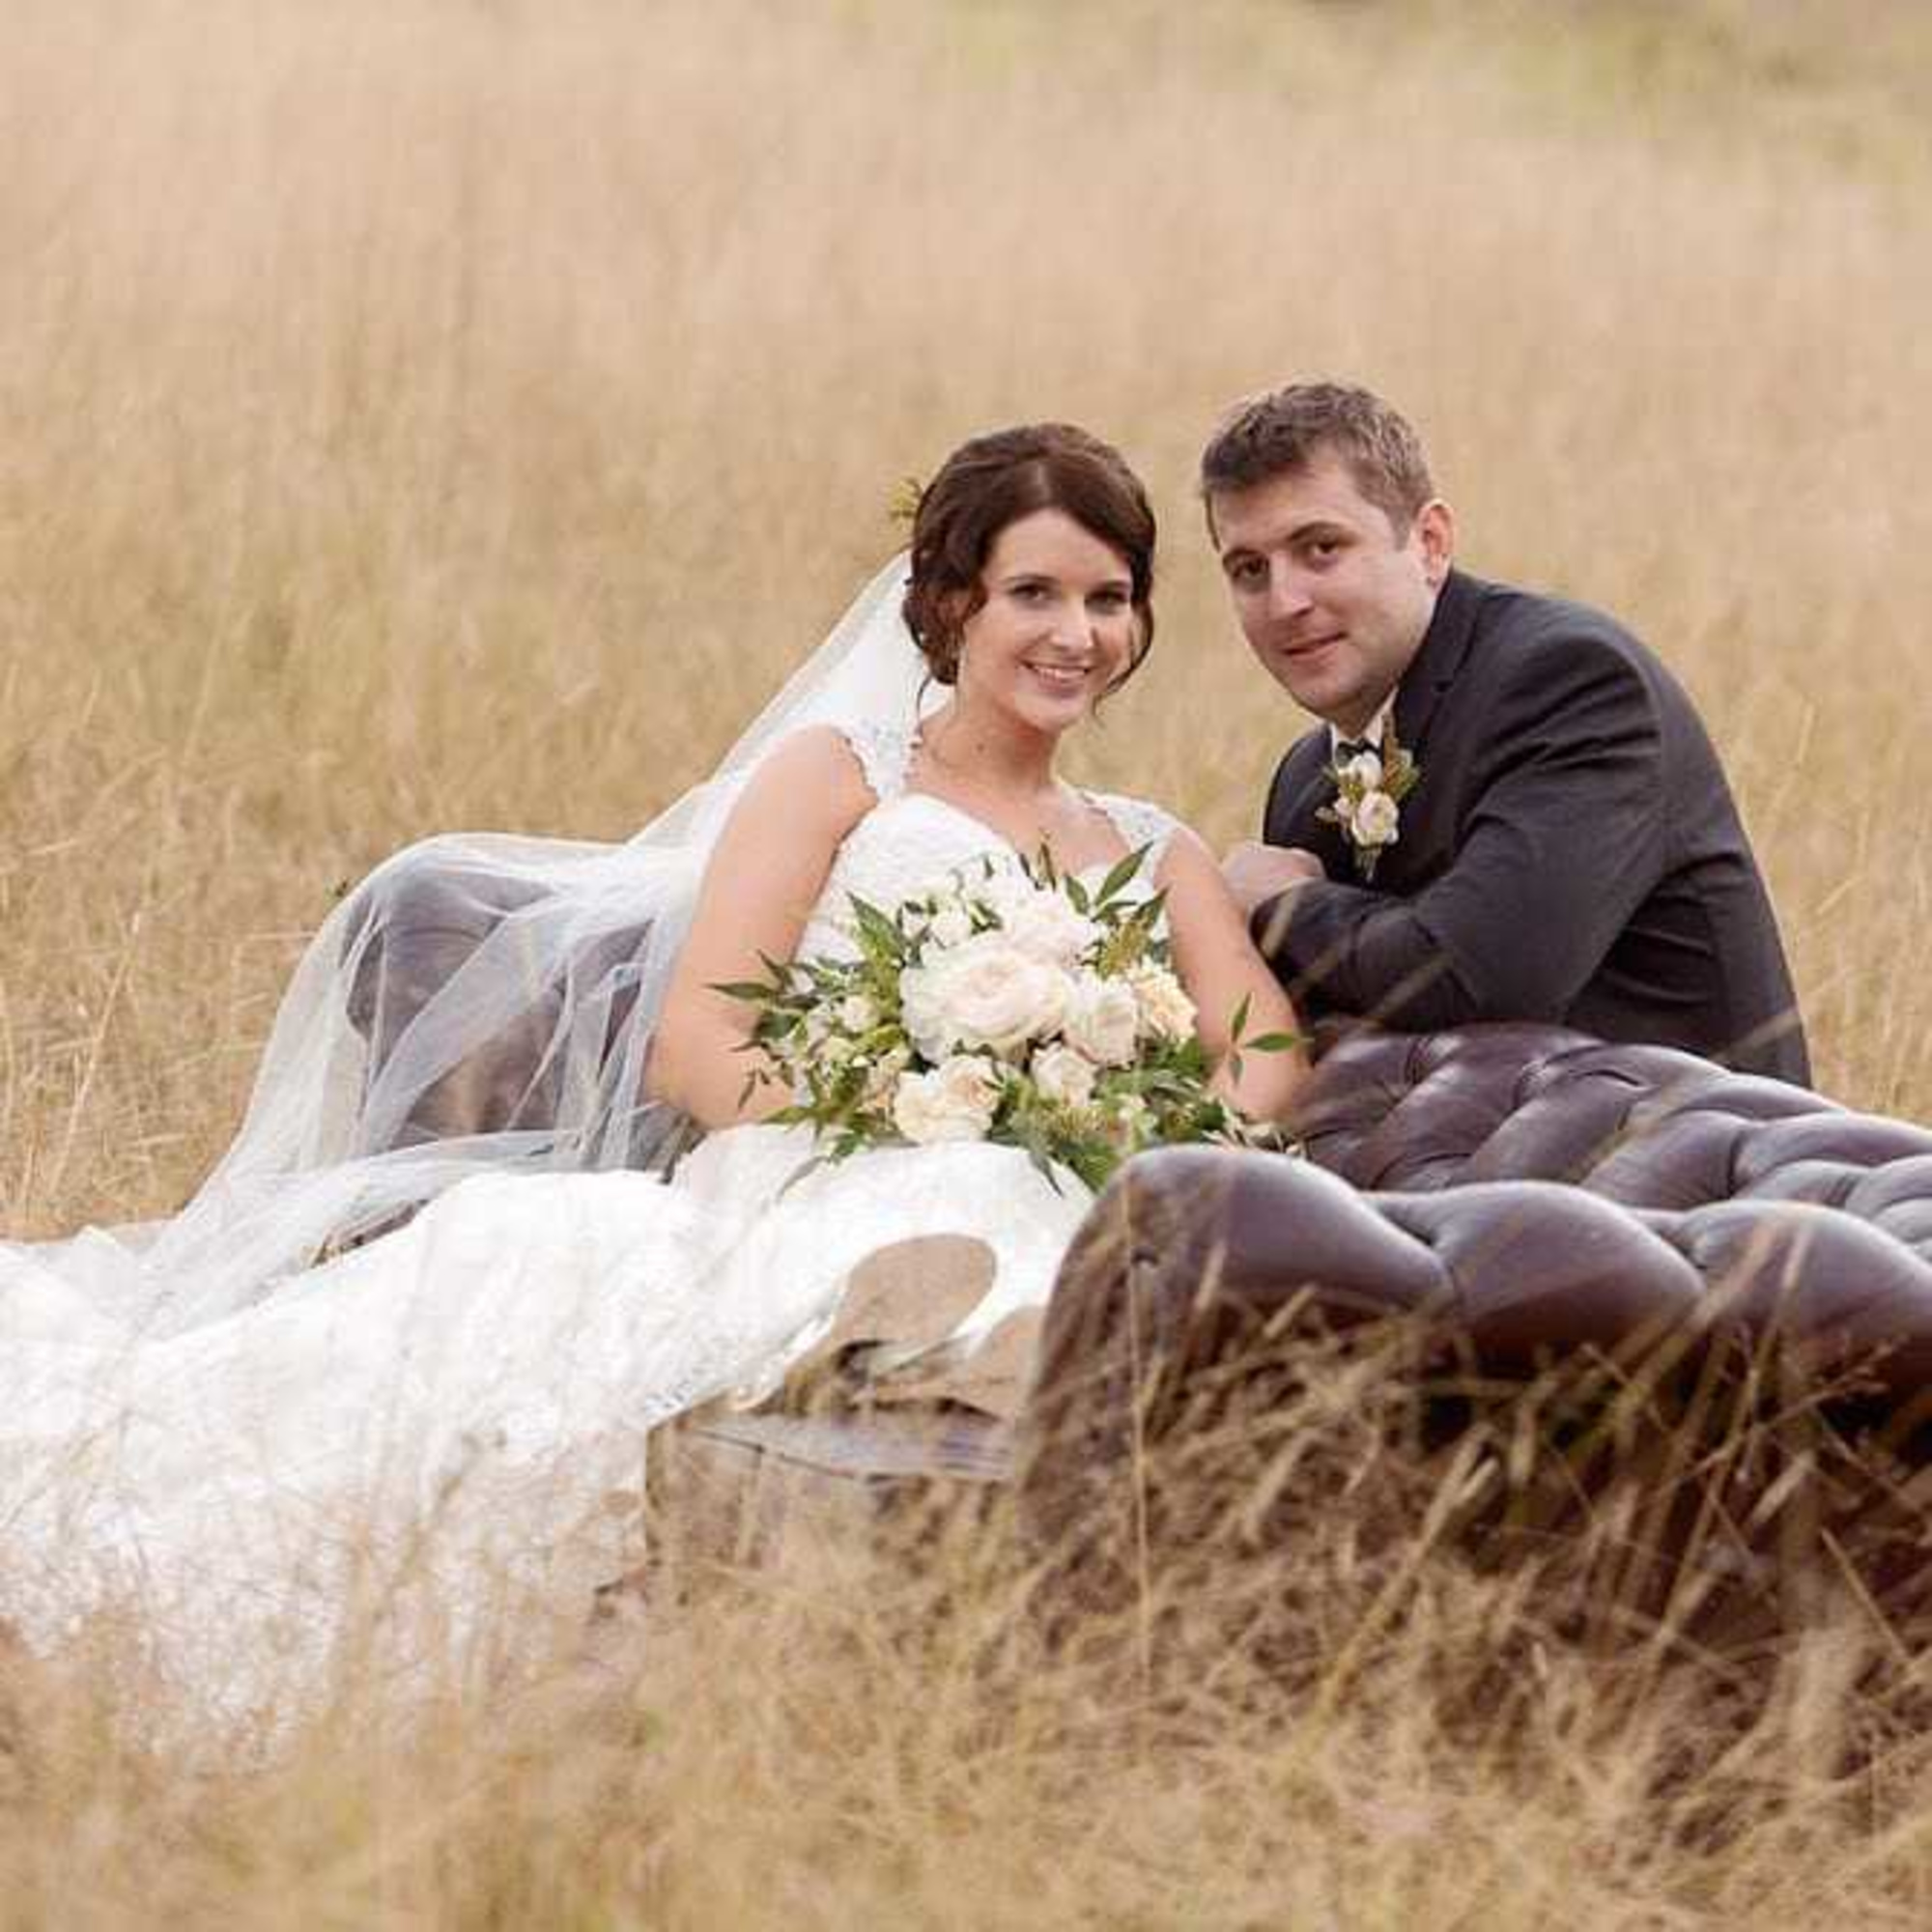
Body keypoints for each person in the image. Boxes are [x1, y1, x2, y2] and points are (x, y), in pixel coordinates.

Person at [0, 423, 1303, 1718]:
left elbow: (1266, 1063)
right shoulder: (841, 778)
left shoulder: (1148, 845)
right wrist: (917, 1093)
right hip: (824, 1167)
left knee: (1049, 1248)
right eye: (1035, 592)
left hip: (1050, 1173)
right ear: (952, 601)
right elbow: (697, 1052)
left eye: (1106, 597)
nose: (1074, 631)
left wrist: (1096, 1096)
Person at [1210, 382, 1809, 1086]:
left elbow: (1480, 978)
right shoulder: (1307, 776)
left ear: (1430, 544)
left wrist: (1284, 905)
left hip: (1697, 1165)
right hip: (1464, 1170)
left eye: (1321, 549)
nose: (1285, 602)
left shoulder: (1571, 682)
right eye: (1249, 570)